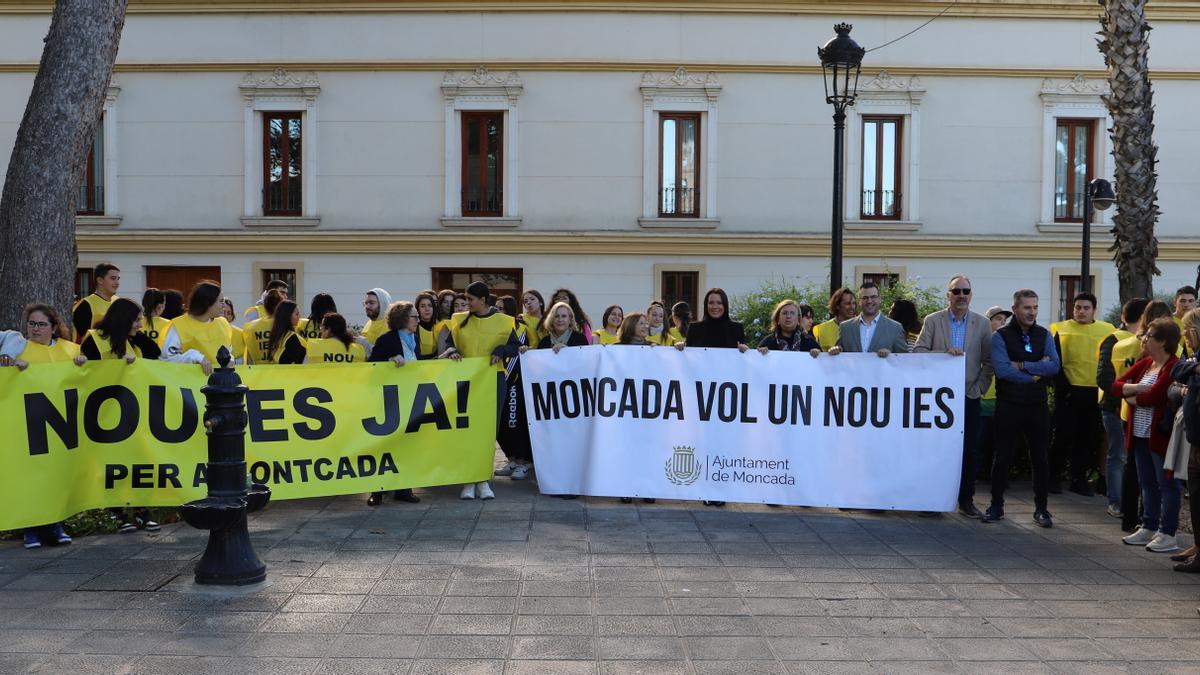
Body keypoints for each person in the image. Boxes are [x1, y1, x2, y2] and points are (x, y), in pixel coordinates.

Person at [0, 305, 83, 549]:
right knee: (30, 475)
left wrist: (82, 364)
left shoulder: (70, 350)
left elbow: (85, 379)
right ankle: (31, 528)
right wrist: (11, 368)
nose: (35, 329)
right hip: (26, 425)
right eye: (31, 324)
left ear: (54, 327)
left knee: (55, 476)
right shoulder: (18, 347)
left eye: (41, 324)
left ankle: (54, 525)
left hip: (60, 426)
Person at [912, 275, 994, 518]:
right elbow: (918, 352)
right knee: (935, 449)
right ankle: (932, 499)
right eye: (955, 291)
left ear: (971, 295)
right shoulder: (933, 321)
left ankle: (966, 500)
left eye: (965, 291)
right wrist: (944, 354)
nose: (961, 295)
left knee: (969, 450)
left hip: (968, 396)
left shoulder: (982, 324)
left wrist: (978, 388)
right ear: (948, 295)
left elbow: (989, 361)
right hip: (939, 397)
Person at [983, 289, 1060, 528]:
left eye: (1035, 307)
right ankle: (996, 505)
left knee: (1040, 458)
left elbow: (1055, 366)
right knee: (1003, 456)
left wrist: (1024, 366)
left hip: (1036, 405)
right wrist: (1037, 373)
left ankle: (1042, 509)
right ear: (1014, 309)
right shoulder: (1001, 336)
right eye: (1027, 307)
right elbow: (1004, 371)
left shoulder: (1044, 334)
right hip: (1009, 403)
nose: (1032, 312)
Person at [367, 301, 456, 506]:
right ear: (403, 319)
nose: (418, 319)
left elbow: (419, 365)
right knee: (386, 446)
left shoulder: (412, 338)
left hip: (410, 398)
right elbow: (371, 366)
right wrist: (389, 360)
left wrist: (445, 356)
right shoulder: (387, 339)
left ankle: (404, 489)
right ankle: (378, 491)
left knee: (407, 444)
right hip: (389, 401)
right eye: (414, 316)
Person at [443, 281, 522, 500]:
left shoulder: (505, 322)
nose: (465, 303)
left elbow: (515, 347)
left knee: (488, 430)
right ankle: (469, 479)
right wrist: (452, 353)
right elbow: (449, 345)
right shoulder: (459, 321)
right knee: (468, 429)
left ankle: (483, 480)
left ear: (483, 300)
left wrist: (502, 349)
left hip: (494, 380)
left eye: (469, 299)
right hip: (465, 381)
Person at [1115, 318, 1183, 552]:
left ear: (1163, 341)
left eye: (1150, 335)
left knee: (1167, 484)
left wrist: (1132, 396)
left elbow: (1155, 396)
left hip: (1160, 437)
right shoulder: (1146, 364)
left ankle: (1168, 532)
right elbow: (1116, 386)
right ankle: (1149, 526)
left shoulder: (1173, 366)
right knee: (1147, 483)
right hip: (1139, 434)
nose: (1144, 338)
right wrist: (1134, 391)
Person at [1049, 292, 1117, 496]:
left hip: (1094, 392)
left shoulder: (1107, 330)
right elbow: (1054, 361)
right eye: (1077, 307)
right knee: (1062, 436)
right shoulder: (1059, 329)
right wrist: (1063, 388)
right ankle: (1053, 478)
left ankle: (1079, 480)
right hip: (1068, 391)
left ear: (1094, 310)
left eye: (1086, 308)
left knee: (1087, 439)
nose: (1081, 311)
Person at [1096, 297, 1148, 518]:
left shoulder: (1119, 339)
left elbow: (1104, 377)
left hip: (1126, 407)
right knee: (1120, 455)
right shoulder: (1117, 340)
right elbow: (1105, 378)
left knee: (1122, 456)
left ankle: (1119, 502)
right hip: (1117, 408)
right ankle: (1117, 501)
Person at [614, 312, 657, 505]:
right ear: (630, 325)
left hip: (647, 407)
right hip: (624, 406)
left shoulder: (653, 348)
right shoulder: (615, 349)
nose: (645, 326)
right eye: (641, 323)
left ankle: (647, 488)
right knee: (626, 448)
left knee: (646, 448)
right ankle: (625, 487)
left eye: (646, 323)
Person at [1170, 308, 1200, 571]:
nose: (1184, 335)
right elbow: (1177, 370)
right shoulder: (1193, 357)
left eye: (1187, 330)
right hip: (1195, 438)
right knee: (1196, 498)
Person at [161, 280, 235, 375]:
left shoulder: (223, 323)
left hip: (219, 385)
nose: (224, 305)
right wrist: (195, 357)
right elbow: (166, 360)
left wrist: (231, 359)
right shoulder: (178, 325)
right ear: (208, 303)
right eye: (221, 301)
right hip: (188, 385)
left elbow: (229, 350)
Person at [829, 282, 908, 357]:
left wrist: (891, 356)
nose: (869, 301)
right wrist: (836, 350)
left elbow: (905, 360)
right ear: (859, 301)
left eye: (873, 297)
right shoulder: (845, 327)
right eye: (865, 298)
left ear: (880, 299)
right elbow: (839, 354)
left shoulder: (895, 328)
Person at [978, 306, 1012, 478]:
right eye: (998, 319)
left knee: (997, 443)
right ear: (988, 321)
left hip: (1000, 401)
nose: (1002, 323)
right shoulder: (981, 341)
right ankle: (976, 475)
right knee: (979, 441)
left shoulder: (1007, 344)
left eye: (1004, 320)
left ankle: (994, 477)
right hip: (981, 401)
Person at [80, 298, 162, 362]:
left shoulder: (135, 337)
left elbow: (156, 354)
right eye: (137, 320)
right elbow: (87, 370)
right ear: (124, 320)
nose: (140, 325)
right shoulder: (94, 340)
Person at [681, 288, 748, 352]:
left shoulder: (737, 328)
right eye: (711, 303)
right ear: (706, 305)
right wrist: (679, 348)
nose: (715, 306)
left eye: (719, 303)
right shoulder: (694, 328)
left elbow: (744, 358)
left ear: (725, 305)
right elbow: (687, 355)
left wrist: (744, 349)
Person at [72, 262, 120, 341]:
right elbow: (81, 338)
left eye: (118, 279)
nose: (117, 283)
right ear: (100, 280)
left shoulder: (119, 302)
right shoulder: (85, 305)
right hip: (94, 352)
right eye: (113, 278)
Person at [241, 289, 285, 365]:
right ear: (280, 307)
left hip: (259, 372)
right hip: (280, 371)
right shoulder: (284, 325)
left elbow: (249, 355)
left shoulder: (252, 327)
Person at [263, 300, 306, 365]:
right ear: (287, 316)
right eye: (296, 314)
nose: (299, 316)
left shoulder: (276, 335)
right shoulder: (292, 338)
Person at [814, 287, 856, 352]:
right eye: (847, 303)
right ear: (837, 306)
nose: (852, 307)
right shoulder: (821, 329)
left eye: (854, 303)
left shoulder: (860, 326)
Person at [358, 287, 394, 358]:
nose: (367, 306)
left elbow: (386, 354)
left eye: (371, 303)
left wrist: (363, 342)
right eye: (366, 303)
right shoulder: (368, 323)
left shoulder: (393, 325)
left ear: (383, 304)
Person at [414, 291, 442, 359]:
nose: (427, 309)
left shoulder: (441, 325)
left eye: (430, 305)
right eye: (422, 306)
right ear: (417, 309)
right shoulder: (411, 327)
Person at [1174, 286, 1197, 357]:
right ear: (1175, 302)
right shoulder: (1166, 323)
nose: (1186, 305)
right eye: (1182, 301)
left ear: (1196, 303)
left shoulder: (1198, 322)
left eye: (1191, 301)